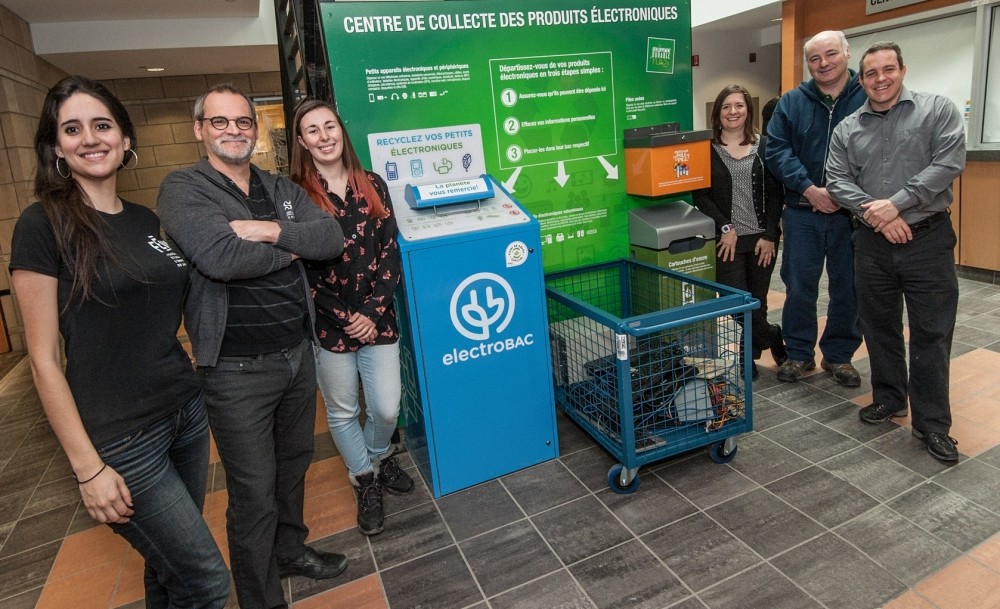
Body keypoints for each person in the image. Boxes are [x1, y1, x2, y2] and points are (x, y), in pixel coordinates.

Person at [10, 76, 230, 608]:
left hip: (184, 413)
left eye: (102, 125)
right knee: (206, 580)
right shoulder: (42, 224)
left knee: (169, 569)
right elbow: (42, 361)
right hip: (121, 440)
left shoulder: (146, 220)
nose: (90, 138)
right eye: (72, 128)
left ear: (125, 139)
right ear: (56, 147)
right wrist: (88, 468)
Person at [156, 84, 347, 609]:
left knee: (294, 465)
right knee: (253, 495)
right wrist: (291, 247)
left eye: (243, 121)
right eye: (220, 122)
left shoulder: (278, 186)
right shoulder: (183, 189)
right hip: (236, 371)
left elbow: (329, 238)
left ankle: (291, 551)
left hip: (295, 356)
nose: (234, 130)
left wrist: (265, 230)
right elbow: (220, 257)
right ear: (200, 130)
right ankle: (262, 600)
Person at [826, 42, 966, 463]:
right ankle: (890, 397)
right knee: (878, 325)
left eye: (888, 69)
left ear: (902, 71)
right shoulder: (847, 128)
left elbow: (948, 162)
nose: (880, 78)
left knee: (931, 333)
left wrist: (897, 203)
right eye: (871, 73)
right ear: (861, 79)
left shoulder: (937, 110)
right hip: (871, 242)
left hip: (928, 240)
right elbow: (836, 180)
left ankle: (933, 424)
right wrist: (881, 216)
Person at [290, 100, 413, 536]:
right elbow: (301, 269)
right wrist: (347, 317)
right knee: (342, 411)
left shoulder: (373, 183)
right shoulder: (295, 196)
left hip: (378, 319)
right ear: (302, 141)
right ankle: (364, 480)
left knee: (385, 406)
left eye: (330, 126)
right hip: (328, 326)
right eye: (312, 130)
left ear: (342, 131)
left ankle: (376, 459)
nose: (324, 136)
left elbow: (390, 252)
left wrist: (372, 311)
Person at [765, 30, 866, 387]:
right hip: (800, 212)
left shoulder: (868, 97)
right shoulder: (791, 102)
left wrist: (846, 195)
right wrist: (809, 189)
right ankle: (799, 354)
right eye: (814, 58)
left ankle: (839, 357)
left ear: (847, 53)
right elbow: (776, 150)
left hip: (851, 216)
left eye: (830, 54)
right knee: (799, 286)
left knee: (849, 287)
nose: (823, 64)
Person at [694, 85, 786, 380]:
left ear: (748, 110)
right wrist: (726, 227)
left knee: (756, 302)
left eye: (739, 106)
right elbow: (701, 196)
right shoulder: (706, 150)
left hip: (761, 239)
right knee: (736, 304)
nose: (733, 111)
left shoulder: (765, 146)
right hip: (728, 242)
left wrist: (771, 235)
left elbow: (775, 194)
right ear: (717, 113)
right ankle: (772, 336)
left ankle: (747, 358)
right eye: (726, 107)